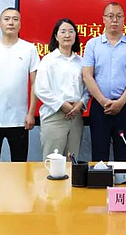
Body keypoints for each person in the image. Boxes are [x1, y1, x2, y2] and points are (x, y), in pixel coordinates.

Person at [0, 8, 40, 162]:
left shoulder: (29, 49)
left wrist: (31, 113)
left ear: (20, 24)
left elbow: (35, 83)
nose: (11, 22)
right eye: (6, 19)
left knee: (20, 165)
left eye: (15, 19)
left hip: (19, 119)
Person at [82, 2, 126, 162]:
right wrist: (103, 102)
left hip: (124, 108)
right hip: (99, 108)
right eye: (110, 16)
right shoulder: (92, 44)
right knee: (99, 157)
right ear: (103, 19)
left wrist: (120, 103)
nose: (114, 20)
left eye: (118, 16)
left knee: (124, 157)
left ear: (124, 19)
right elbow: (87, 75)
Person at [35, 18, 88, 159]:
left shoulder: (81, 61)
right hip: (54, 116)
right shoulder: (48, 60)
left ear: (75, 35)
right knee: (53, 163)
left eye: (71, 31)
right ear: (56, 36)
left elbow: (87, 88)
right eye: (63, 32)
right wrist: (62, 104)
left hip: (76, 116)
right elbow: (40, 89)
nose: (67, 35)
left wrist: (81, 103)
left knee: (72, 162)